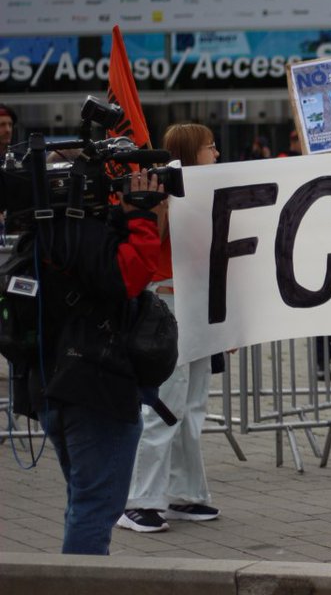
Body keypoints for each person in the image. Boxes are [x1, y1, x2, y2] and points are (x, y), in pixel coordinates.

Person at [8, 163, 165, 554]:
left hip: (50, 387)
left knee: (83, 501)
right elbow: (131, 276)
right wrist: (143, 218)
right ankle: (81, 579)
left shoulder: (41, 234)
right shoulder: (84, 235)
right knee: (95, 507)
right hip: (94, 391)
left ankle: (74, 575)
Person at [119, 125, 222, 532]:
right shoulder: (164, 191)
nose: (216, 152)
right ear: (191, 152)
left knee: (193, 404)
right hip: (169, 299)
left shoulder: (210, 193)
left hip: (197, 302)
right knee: (166, 401)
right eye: (210, 146)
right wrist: (159, 206)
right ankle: (139, 499)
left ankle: (184, 492)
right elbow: (153, 243)